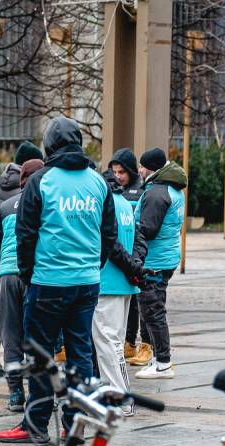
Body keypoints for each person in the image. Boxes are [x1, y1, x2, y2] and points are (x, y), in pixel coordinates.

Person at [0, 118, 116, 445]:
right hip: (86, 283)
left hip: (47, 281)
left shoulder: (40, 181)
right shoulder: (98, 183)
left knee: (40, 355)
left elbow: (25, 234)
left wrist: (28, 274)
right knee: (80, 353)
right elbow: (109, 235)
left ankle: (35, 424)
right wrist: (92, 266)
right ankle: (75, 423)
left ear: (48, 147)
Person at [0, 157, 45, 413]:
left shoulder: (5, 206)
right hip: (35, 275)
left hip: (7, 276)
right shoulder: (45, 202)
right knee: (38, 336)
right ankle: (39, 395)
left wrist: (8, 263)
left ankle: (15, 394)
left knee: (10, 337)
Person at [90, 168, 148, 411]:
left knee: (108, 345)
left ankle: (122, 400)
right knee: (114, 344)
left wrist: (130, 266)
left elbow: (110, 243)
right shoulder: (125, 203)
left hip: (107, 282)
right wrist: (135, 266)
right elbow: (138, 239)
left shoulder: (106, 204)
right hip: (125, 284)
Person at [133, 147, 187, 379]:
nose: (139, 170)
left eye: (142, 166)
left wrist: (129, 228)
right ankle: (157, 359)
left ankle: (163, 363)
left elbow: (148, 229)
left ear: (151, 168)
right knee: (154, 309)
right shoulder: (171, 188)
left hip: (154, 261)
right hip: (165, 258)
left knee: (152, 312)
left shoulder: (157, 193)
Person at [105, 148, 151, 365]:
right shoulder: (113, 194)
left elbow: (140, 231)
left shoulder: (140, 192)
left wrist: (136, 261)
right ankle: (128, 342)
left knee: (139, 305)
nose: (118, 176)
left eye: (122, 172)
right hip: (122, 262)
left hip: (133, 260)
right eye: (114, 172)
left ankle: (137, 342)